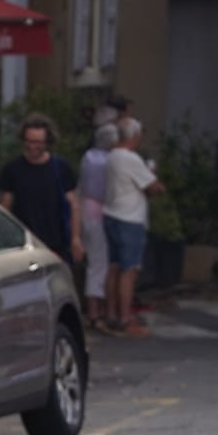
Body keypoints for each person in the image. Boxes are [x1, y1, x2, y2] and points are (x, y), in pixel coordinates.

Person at [99, 117, 164, 337]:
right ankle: (126, 318)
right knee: (130, 270)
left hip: (111, 214)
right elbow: (153, 187)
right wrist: (153, 171)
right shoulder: (131, 159)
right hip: (130, 218)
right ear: (135, 135)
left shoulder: (111, 157)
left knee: (114, 267)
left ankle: (111, 314)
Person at [0, 113, 83, 261]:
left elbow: (73, 205)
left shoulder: (60, 168)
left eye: (37, 142)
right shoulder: (13, 169)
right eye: (28, 141)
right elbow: (5, 206)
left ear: (47, 142)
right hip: (24, 244)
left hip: (56, 243)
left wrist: (75, 239)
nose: (32, 146)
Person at [78, 122, 116, 327]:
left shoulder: (88, 156)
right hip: (99, 214)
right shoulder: (107, 161)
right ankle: (95, 311)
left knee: (95, 261)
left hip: (85, 211)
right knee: (99, 263)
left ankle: (96, 308)